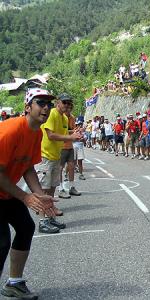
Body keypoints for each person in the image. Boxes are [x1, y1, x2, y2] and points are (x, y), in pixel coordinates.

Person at [0, 89, 58, 299]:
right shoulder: (10, 131)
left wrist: (40, 195)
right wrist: (26, 197)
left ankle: (14, 282)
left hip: (5, 192)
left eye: (49, 104)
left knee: (26, 227)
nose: (46, 108)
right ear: (27, 107)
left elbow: (27, 167)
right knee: (1, 242)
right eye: (40, 103)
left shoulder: (36, 132)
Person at [36, 93, 83, 234]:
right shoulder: (52, 114)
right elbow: (51, 135)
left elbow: (62, 132)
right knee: (44, 191)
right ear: (58, 102)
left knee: (51, 190)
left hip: (55, 156)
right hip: (46, 156)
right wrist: (70, 136)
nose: (67, 105)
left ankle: (50, 218)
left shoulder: (63, 117)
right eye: (65, 102)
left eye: (69, 103)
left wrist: (73, 131)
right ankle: (42, 221)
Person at [58, 99, 81, 199]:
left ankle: (72, 187)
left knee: (71, 166)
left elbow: (71, 130)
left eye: (70, 107)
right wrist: (74, 132)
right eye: (67, 107)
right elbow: (61, 131)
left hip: (70, 145)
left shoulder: (72, 118)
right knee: (60, 168)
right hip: (61, 146)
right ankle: (60, 188)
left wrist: (76, 132)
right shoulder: (60, 117)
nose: (68, 109)